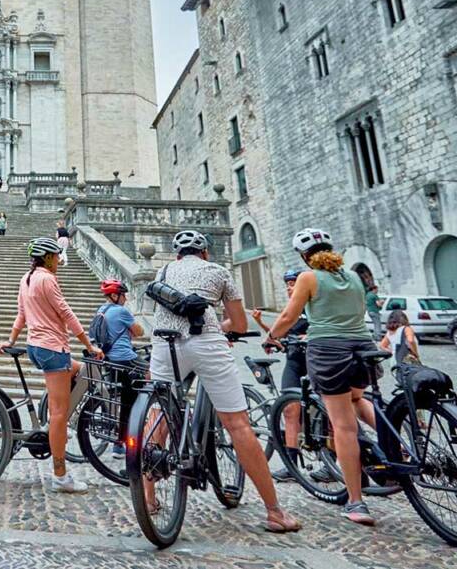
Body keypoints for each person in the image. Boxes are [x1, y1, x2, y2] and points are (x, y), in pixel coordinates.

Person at [152, 230, 301, 533]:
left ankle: (149, 498)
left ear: (177, 255)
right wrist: (220, 328)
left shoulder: (163, 271)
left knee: (159, 416)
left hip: (164, 345)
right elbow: (240, 323)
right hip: (206, 342)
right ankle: (274, 512)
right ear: (205, 252)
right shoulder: (218, 271)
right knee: (237, 424)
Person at [266, 227, 376, 526]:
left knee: (343, 426)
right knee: (357, 399)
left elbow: (290, 316)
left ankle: (356, 501)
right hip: (364, 347)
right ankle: (397, 451)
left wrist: (270, 336)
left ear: (305, 256)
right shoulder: (353, 276)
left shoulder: (308, 277)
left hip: (330, 351)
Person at [0, 237, 103, 494]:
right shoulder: (47, 279)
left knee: (78, 370)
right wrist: (90, 346)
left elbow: (21, 313)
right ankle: (60, 477)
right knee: (58, 415)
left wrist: (11, 339)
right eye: (56, 256)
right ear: (47, 258)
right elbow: (66, 314)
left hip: (36, 346)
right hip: (53, 348)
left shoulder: (27, 278)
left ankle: (55, 421)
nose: (59, 260)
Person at [249, 269, 327, 483]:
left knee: (325, 410)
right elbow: (282, 333)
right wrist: (267, 331)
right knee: (289, 411)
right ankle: (291, 465)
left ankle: (332, 460)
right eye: (288, 284)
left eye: (293, 283)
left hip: (314, 360)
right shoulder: (290, 309)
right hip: (294, 361)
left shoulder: (312, 306)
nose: (290, 288)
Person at [92, 279, 144, 459]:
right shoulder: (121, 311)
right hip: (125, 359)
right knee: (149, 377)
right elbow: (139, 331)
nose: (126, 298)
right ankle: (139, 424)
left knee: (122, 399)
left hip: (109, 359)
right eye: (123, 295)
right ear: (114, 295)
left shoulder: (100, 310)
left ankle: (119, 443)